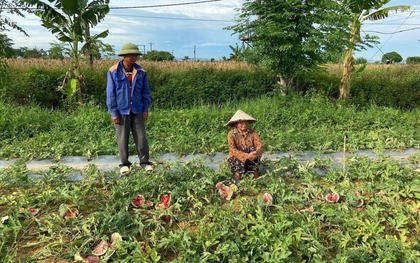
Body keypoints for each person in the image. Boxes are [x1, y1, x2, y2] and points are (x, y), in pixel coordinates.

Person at [106, 43, 153, 175]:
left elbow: (145, 92)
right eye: (131, 55)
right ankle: (124, 164)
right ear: (124, 56)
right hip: (121, 111)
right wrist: (113, 112)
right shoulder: (113, 71)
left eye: (135, 55)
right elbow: (111, 94)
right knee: (122, 138)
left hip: (137, 109)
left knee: (141, 137)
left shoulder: (141, 72)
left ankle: (144, 162)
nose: (134, 58)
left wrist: (145, 109)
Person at [225, 110, 264, 182]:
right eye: (241, 122)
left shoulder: (253, 133)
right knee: (239, 163)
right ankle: (237, 180)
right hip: (236, 157)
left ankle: (257, 179)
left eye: (246, 122)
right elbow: (233, 150)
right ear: (236, 124)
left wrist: (256, 153)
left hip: (252, 156)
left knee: (253, 152)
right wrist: (246, 156)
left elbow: (260, 145)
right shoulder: (231, 134)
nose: (244, 124)